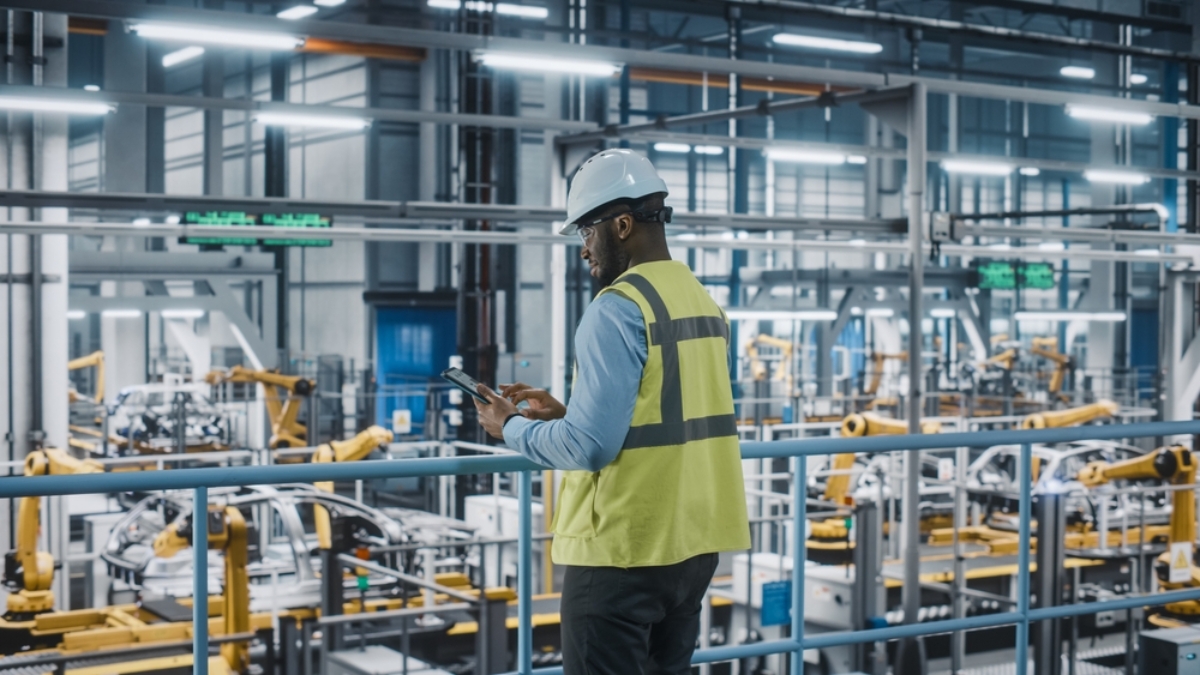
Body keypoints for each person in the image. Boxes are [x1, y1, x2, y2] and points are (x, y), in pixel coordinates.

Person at [472, 149, 751, 675]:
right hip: (693, 547)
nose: (583, 250)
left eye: (586, 232)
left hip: (623, 551)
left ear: (622, 225)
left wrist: (509, 427)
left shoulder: (617, 308)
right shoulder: (701, 302)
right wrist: (568, 412)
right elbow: (668, 411)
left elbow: (589, 447)